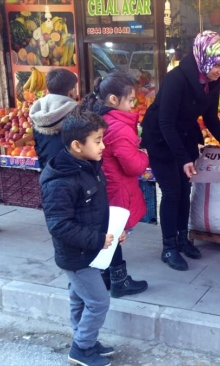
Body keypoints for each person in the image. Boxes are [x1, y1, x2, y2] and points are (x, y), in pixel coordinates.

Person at [140, 31, 220, 271]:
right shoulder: (177, 78)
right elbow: (165, 122)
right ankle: (168, 247)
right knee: (172, 192)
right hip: (161, 139)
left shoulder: (214, 81)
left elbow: (210, 117)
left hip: (184, 136)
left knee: (185, 190)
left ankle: (182, 240)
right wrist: (184, 159)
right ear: (204, 58)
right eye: (218, 65)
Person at [40, 109, 116, 366]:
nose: (103, 145)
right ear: (76, 145)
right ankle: (81, 348)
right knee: (98, 301)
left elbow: (94, 208)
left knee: (79, 297)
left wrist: (112, 232)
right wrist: (97, 240)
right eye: (98, 140)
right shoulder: (60, 181)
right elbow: (59, 226)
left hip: (89, 249)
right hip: (76, 255)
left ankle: (85, 339)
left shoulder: (88, 165)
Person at [81, 71, 149, 297]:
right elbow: (133, 166)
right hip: (117, 188)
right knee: (115, 234)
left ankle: (107, 277)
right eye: (130, 99)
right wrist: (144, 155)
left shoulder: (102, 120)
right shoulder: (118, 128)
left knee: (110, 232)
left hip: (106, 186)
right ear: (113, 100)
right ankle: (119, 281)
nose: (133, 104)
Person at [30, 68, 79, 170]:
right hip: (72, 173)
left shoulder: (37, 113)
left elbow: (38, 147)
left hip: (48, 171)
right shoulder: (79, 113)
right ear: (72, 91)